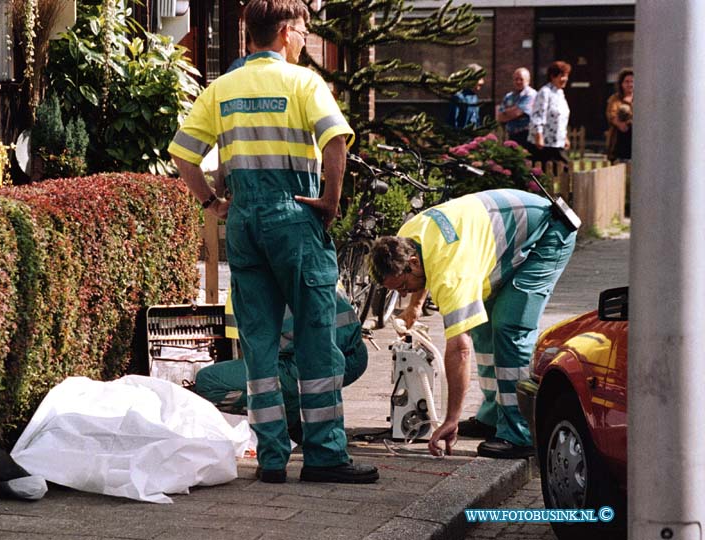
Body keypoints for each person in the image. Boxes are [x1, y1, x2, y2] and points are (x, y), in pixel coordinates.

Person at [168, 0, 378, 484]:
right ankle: (325, 455)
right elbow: (335, 141)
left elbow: (183, 154)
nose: (306, 38)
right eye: (304, 30)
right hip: (295, 216)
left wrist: (210, 203)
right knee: (315, 335)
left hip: (243, 221)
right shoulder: (304, 83)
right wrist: (330, 200)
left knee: (258, 345)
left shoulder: (221, 88)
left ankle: (271, 460)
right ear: (285, 32)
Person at [370, 189, 576, 459]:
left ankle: (520, 433)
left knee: (509, 327)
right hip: (504, 231)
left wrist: (451, 419)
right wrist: (415, 306)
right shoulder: (407, 236)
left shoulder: (450, 271)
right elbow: (424, 269)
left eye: (404, 287)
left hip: (549, 231)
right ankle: (491, 417)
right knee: (481, 323)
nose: (405, 293)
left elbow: (460, 350)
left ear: (412, 263)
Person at [194, 286, 368, 445]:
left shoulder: (269, 292)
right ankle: (298, 429)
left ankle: (291, 429)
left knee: (217, 381)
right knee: (272, 380)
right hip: (348, 353)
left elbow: (274, 361)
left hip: (328, 359)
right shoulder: (303, 276)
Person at [528, 61, 572, 165]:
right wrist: (539, 136)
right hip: (544, 143)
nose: (565, 79)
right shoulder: (545, 92)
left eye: (566, 76)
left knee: (564, 171)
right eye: (562, 76)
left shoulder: (560, 93)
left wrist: (564, 137)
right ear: (553, 76)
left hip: (557, 142)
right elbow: (538, 115)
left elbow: (561, 118)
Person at [496, 67, 537, 149]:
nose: (518, 82)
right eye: (516, 79)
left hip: (527, 136)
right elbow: (499, 117)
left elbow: (517, 112)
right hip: (511, 136)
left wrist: (507, 113)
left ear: (528, 81)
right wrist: (513, 112)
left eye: (521, 79)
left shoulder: (531, 95)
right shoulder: (508, 96)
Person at [605, 68, 633, 163]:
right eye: (627, 82)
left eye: (632, 81)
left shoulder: (642, 98)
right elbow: (611, 114)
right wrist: (620, 124)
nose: (630, 84)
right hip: (619, 139)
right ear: (621, 83)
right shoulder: (615, 98)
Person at [447, 64, 485, 129]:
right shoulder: (459, 97)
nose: (482, 81)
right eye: (479, 78)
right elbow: (452, 123)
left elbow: (476, 121)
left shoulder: (474, 97)